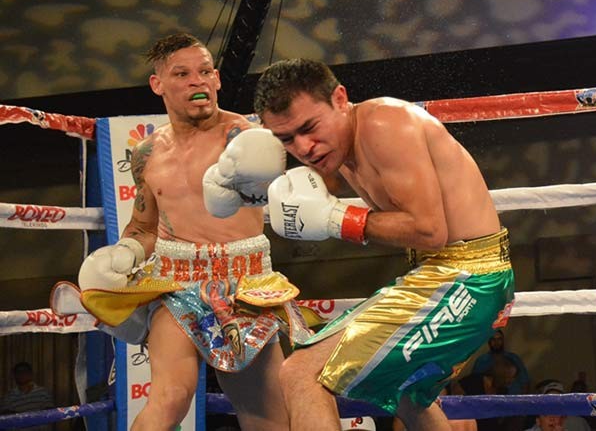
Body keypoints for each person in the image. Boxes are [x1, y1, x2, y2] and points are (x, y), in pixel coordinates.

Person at [255, 58, 515, 431]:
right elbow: (312, 193)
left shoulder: (383, 125)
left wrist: (337, 219)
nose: (304, 147)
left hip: (468, 278)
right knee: (406, 392)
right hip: (443, 274)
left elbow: (429, 231)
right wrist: (245, 185)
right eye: (286, 139)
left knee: (301, 372)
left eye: (309, 128)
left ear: (340, 99)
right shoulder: (338, 149)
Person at [76, 33, 306, 431]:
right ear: (158, 84)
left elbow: (293, 189)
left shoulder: (246, 137)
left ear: (216, 80)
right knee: (169, 398)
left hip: (246, 285)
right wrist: (127, 250)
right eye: (182, 73)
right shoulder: (147, 153)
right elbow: (144, 225)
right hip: (177, 282)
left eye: (204, 72)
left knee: (266, 417)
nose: (196, 81)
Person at [471, 328, 530, 394]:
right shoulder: (481, 361)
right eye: (493, 339)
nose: (496, 343)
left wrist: (522, 401)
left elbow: (525, 383)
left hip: (515, 399)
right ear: (489, 341)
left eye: (499, 339)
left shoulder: (514, 358)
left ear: (503, 341)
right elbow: (474, 384)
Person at [1, 362, 54, 431]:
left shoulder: (43, 392)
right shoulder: (9, 396)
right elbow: (7, 417)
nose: (22, 374)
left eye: (25, 371)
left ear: (31, 374)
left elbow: (49, 413)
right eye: (19, 372)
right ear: (14, 375)